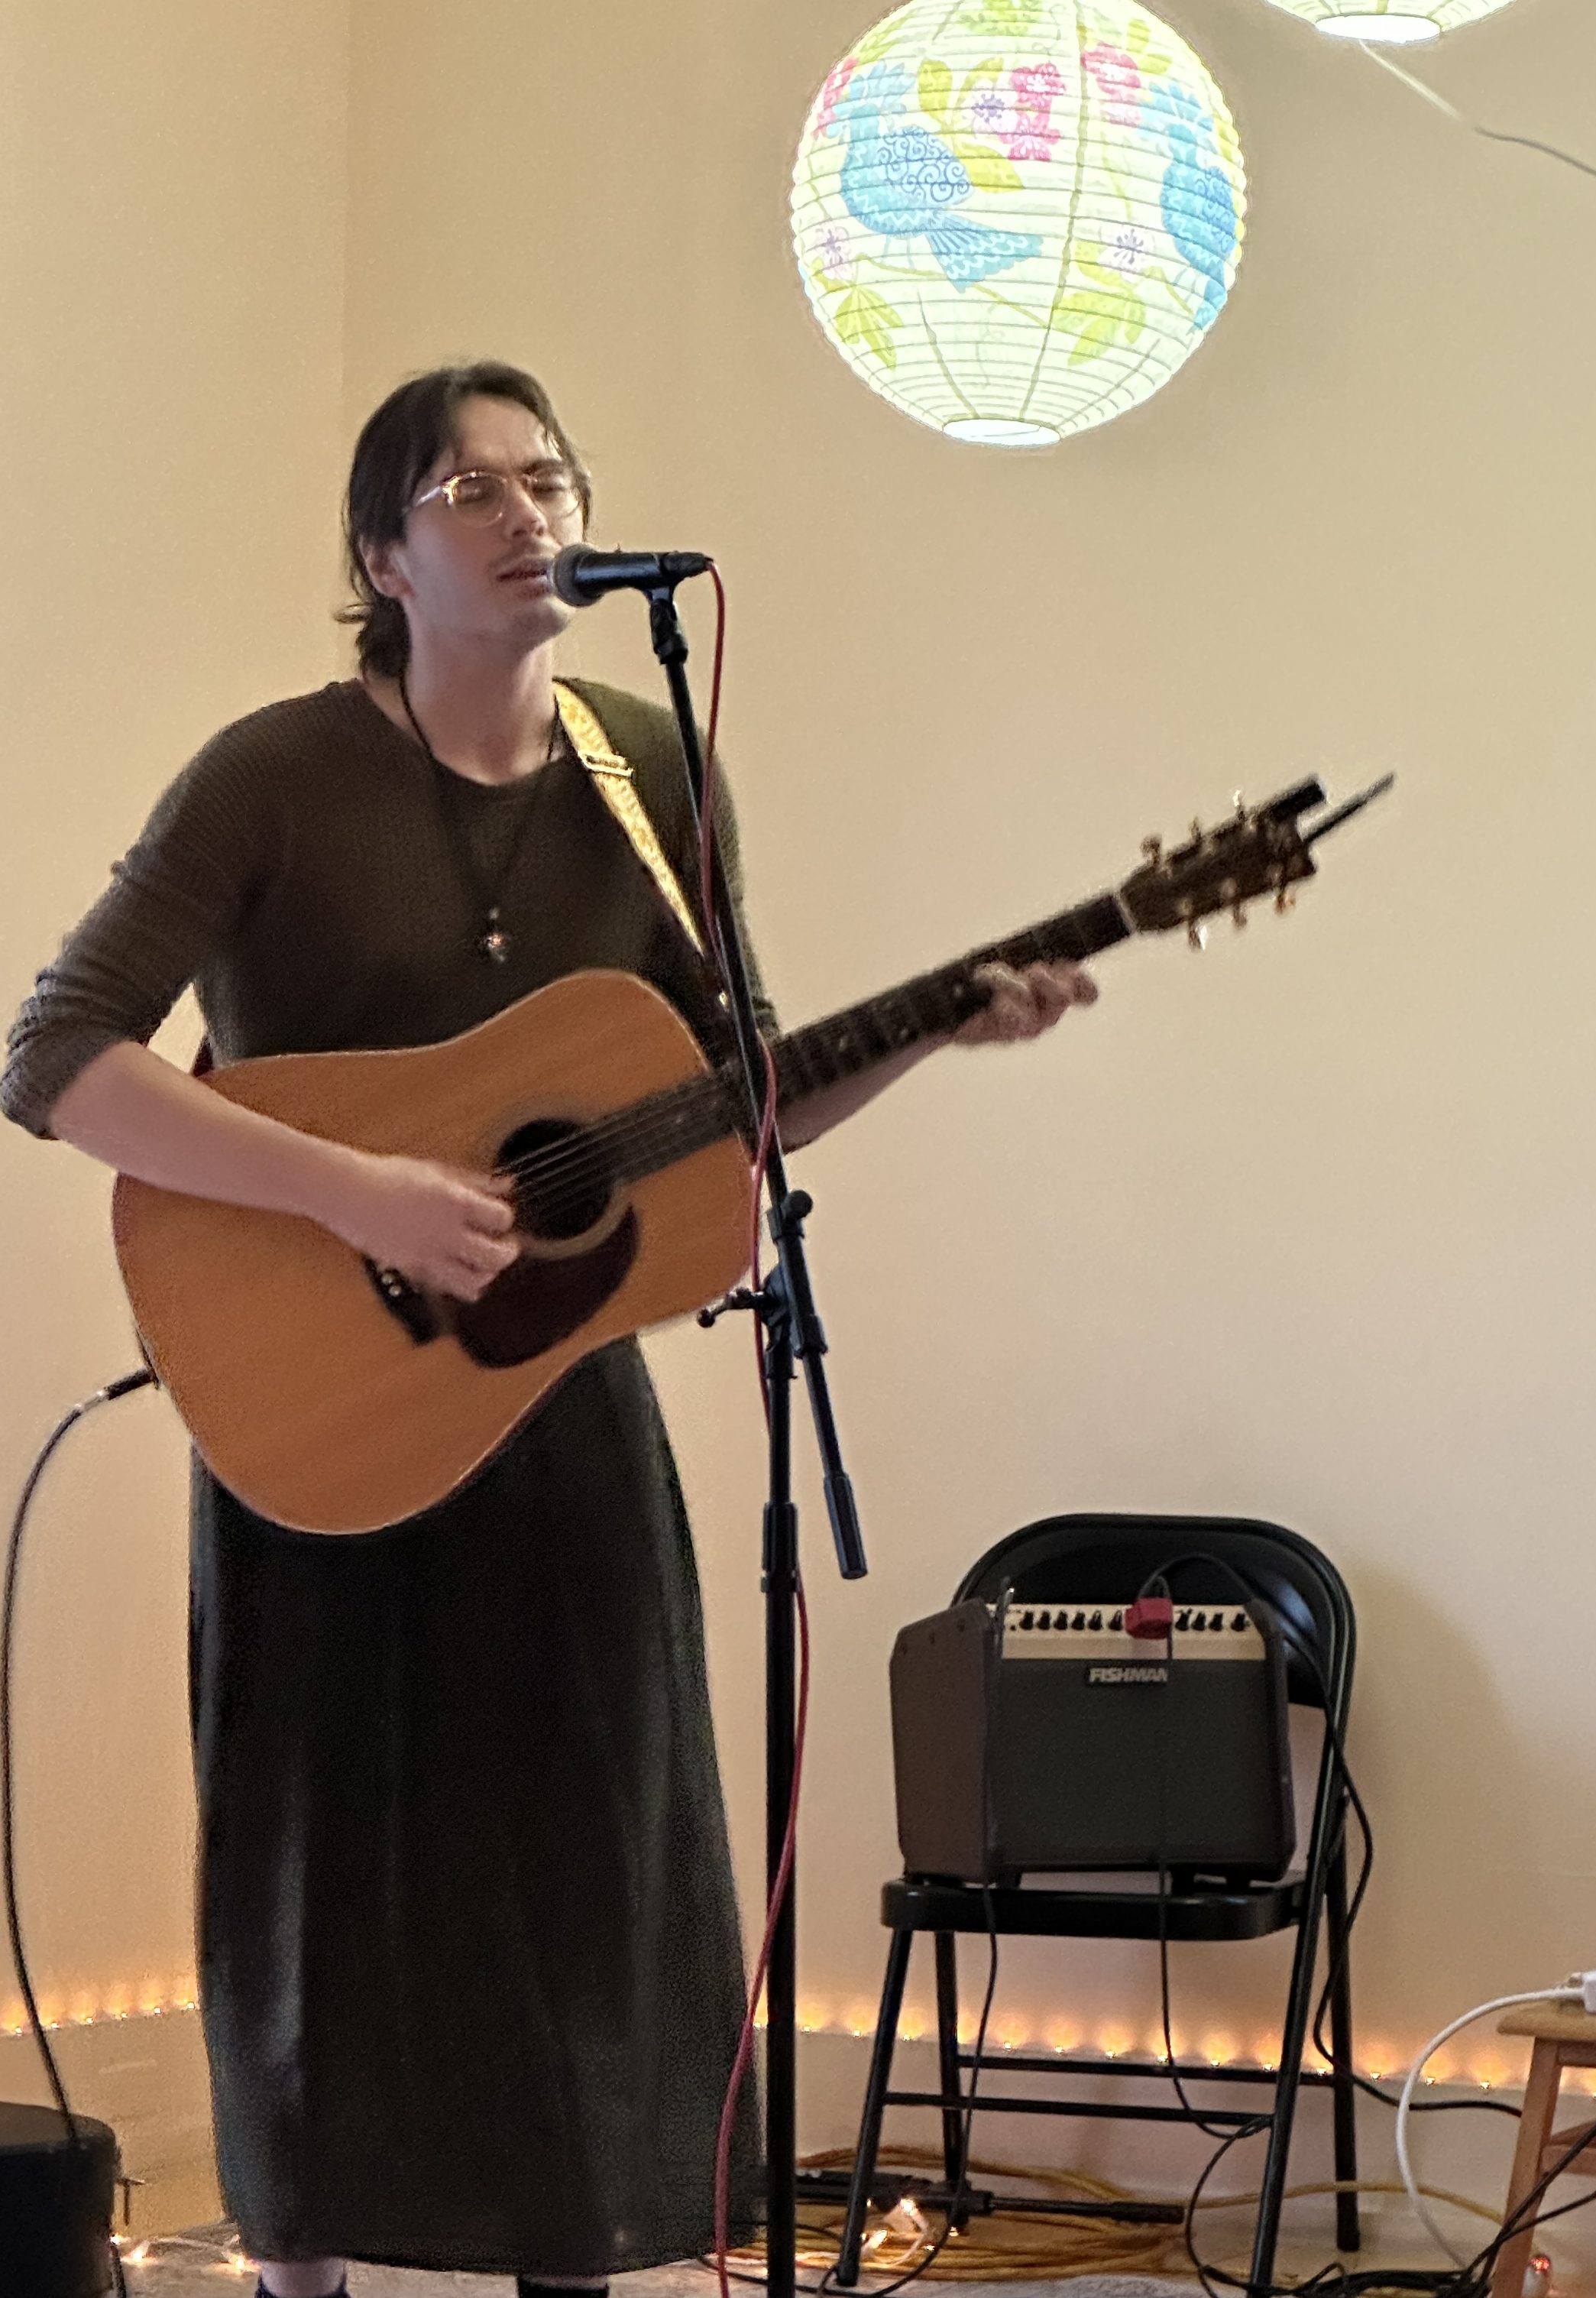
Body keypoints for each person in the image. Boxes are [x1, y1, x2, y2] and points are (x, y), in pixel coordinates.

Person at [0, 361, 1096, 2298]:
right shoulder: (271, 777)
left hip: (564, 1408)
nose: (530, 512)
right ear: (383, 557)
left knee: (597, 1864)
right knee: (320, 1868)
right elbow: (56, 1057)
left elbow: (732, 1101)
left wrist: (939, 1025)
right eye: (472, 488)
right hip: (317, 1417)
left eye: (552, 478)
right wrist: (355, 1193)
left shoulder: (652, 771)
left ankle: (574, 2257)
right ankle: (303, 2269)